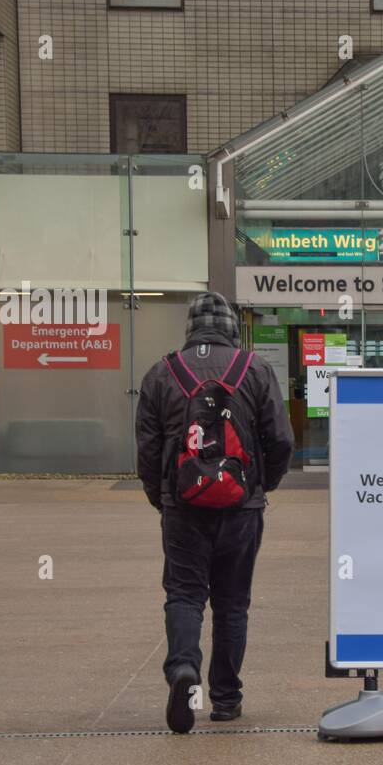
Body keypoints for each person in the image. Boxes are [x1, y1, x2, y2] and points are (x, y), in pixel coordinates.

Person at [136, 292, 294, 733]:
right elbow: (281, 441)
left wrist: (162, 495)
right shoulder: (255, 370)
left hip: (182, 507)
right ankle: (226, 699)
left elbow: (147, 450)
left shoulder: (161, 373)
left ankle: (184, 670)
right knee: (231, 604)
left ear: (190, 329)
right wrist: (260, 488)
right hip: (242, 507)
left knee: (185, 595)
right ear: (231, 328)